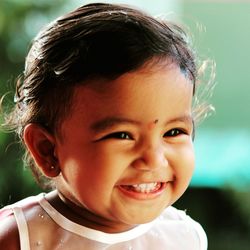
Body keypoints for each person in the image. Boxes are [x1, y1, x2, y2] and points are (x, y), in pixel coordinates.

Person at [0, 2, 209, 249]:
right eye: (122, 135)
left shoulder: (185, 238)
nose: (154, 159)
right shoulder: (19, 237)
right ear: (47, 149)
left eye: (173, 132)